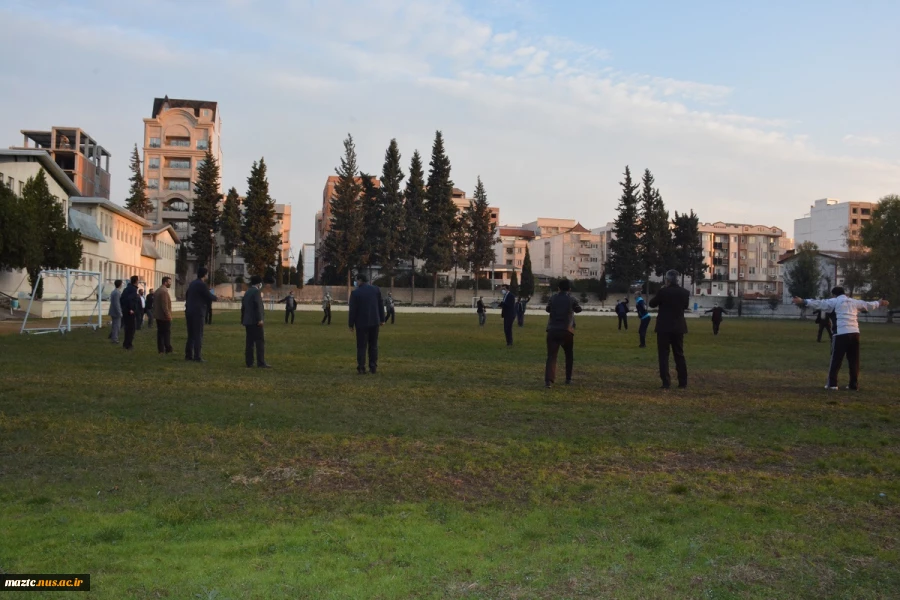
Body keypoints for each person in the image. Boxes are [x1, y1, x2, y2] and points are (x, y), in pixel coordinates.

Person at [793, 287, 889, 390]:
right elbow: (868, 305)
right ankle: (853, 384)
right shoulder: (854, 302)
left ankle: (832, 384)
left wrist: (803, 301)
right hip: (855, 333)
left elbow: (818, 303)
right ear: (844, 293)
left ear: (834, 295)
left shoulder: (834, 301)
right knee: (854, 361)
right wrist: (879, 303)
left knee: (836, 360)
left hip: (841, 333)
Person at [649, 270, 690, 389]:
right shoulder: (684, 292)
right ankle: (683, 381)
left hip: (664, 327)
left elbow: (652, 304)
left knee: (663, 355)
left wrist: (661, 292)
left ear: (667, 279)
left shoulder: (663, 291)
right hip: (679, 327)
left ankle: (666, 382)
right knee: (679, 354)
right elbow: (685, 306)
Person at [544, 278, 583, 388]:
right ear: (569, 289)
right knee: (569, 355)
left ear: (558, 288)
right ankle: (568, 378)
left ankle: (548, 381)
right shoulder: (572, 299)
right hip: (567, 330)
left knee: (551, 356)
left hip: (552, 330)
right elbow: (578, 309)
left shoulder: (553, 298)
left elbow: (548, 309)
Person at [348, 273, 385, 374]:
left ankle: (361, 367)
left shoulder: (355, 293)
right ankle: (373, 367)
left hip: (361, 323)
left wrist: (351, 324)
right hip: (374, 322)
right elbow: (380, 305)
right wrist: (382, 319)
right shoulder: (376, 290)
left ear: (359, 280)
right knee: (373, 345)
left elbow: (353, 310)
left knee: (361, 346)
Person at [184, 267, 216, 362]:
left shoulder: (192, 283)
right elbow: (208, 295)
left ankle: (188, 355)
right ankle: (197, 356)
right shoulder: (202, 285)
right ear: (204, 275)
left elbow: (187, 295)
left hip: (189, 310)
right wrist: (217, 298)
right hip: (198, 312)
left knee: (191, 334)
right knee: (198, 334)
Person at [242, 275, 271, 368]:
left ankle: (249, 362)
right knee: (259, 341)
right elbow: (258, 306)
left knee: (249, 342)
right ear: (259, 283)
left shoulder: (247, 292)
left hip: (247, 321)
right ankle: (261, 362)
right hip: (255, 321)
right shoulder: (256, 292)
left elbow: (243, 307)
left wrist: (243, 319)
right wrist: (260, 319)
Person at [120, 276, 141, 351]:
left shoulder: (126, 289)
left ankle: (126, 343)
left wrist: (124, 308)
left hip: (125, 310)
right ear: (136, 281)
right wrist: (131, 308)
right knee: (131, 328)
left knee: (127, 328)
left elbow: (122, 299)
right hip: (130, 312)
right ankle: (128, 344)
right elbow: (130, 299)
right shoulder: (133, 289)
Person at [153, 277, 173, 354]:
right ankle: (168, 348)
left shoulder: (158, 290)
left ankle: (161, 349)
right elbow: (164, 305)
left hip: (158, 316)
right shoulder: (164, 292)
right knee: (166, 333)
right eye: (169, 282)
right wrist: (168, 315)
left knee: (160, 333)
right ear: (165, 282)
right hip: (164, 317)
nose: (170, 283)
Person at [108, 279, 123, 344]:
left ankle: (113, 337)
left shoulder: (114, 291)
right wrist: (119, 312)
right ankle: (114, 339)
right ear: (120, 284)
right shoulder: (117, 292)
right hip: (116, 312)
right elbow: (117, 304)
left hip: (113, 311)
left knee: (115, 325)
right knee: (117, 326)